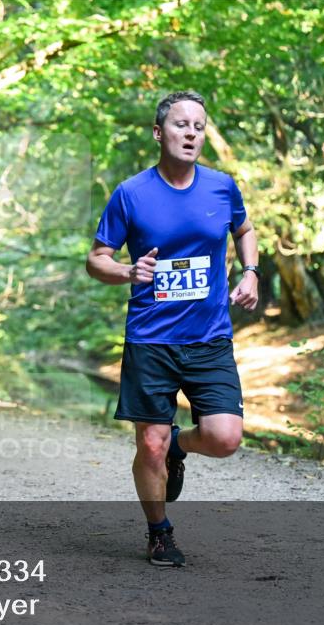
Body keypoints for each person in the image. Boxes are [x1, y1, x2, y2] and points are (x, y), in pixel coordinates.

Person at [86, 91, 259, 567]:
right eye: (181, 125)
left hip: (208, 338)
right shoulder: (132, 193)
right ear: (160, 133)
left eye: (199, 127)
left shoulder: (221, 187)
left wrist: (250, 272)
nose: (191, 133)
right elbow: (96, 258)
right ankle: (159, 532)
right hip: (151, 339)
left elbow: (244, 230)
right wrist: (126, 272)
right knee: (150, 442)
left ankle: (182, 446)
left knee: (224, 438)